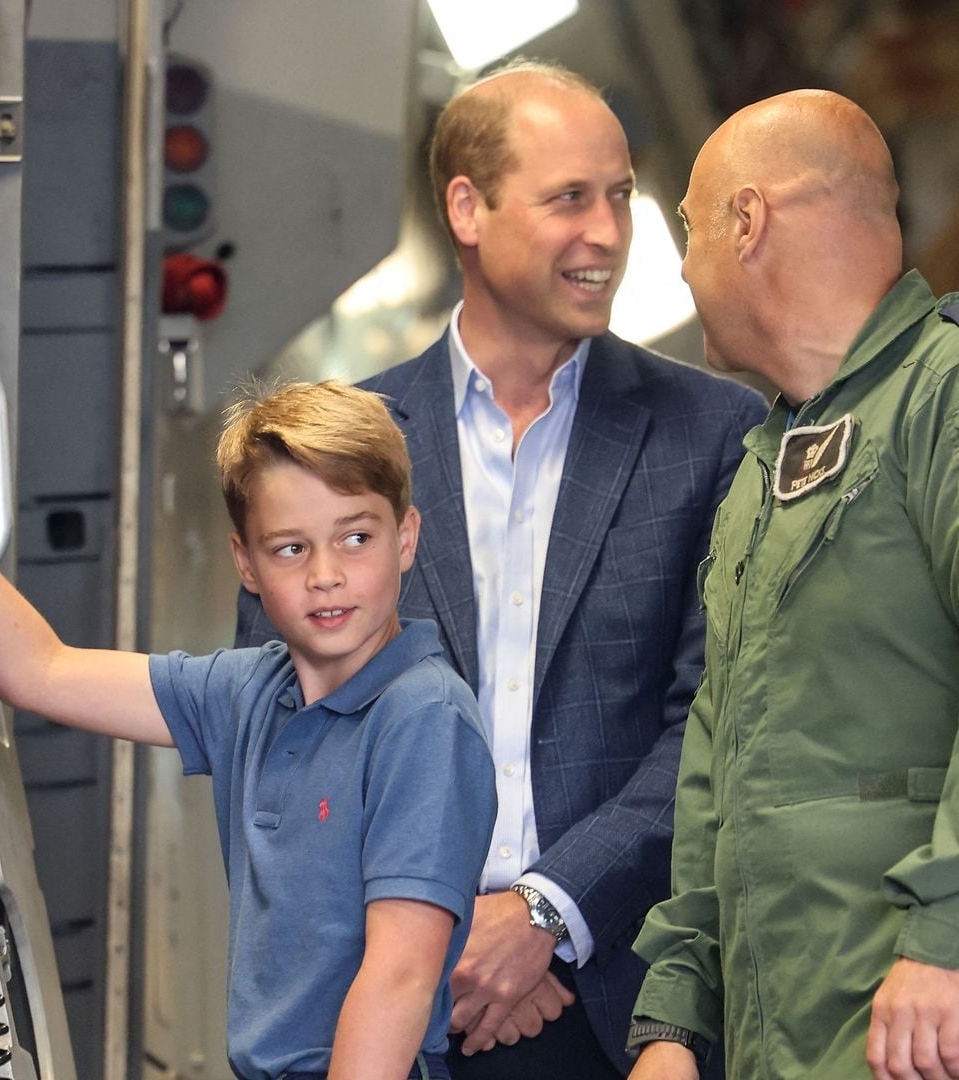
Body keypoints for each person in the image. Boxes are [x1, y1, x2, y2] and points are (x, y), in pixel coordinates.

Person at [237, 61, 766, 1078]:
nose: (608, 233)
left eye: (619, 194)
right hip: (382, 1011)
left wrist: (542, 913)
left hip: (619, 1007)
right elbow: (289, 743)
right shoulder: (335, 449)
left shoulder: (714, 435)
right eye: (570, 197)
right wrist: (425, 943)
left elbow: (716, 727)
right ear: (468, 208)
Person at [0, 374, 497, 1080]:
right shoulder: (248, 692)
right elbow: (37, 670)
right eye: (291, 548)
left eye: (355, 537)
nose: (327, 575)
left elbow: (400, 980)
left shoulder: (424, 717)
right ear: (247, 563)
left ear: (406, 538)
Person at [626, 89, 959, 1080]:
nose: (686, 268)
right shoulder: (763, 471)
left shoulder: (941, 395)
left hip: (922, 1028)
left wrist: (946, 933)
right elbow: (716, 763)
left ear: (746, 220)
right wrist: (678, 1016)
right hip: (785, 1043)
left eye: (689, 229)